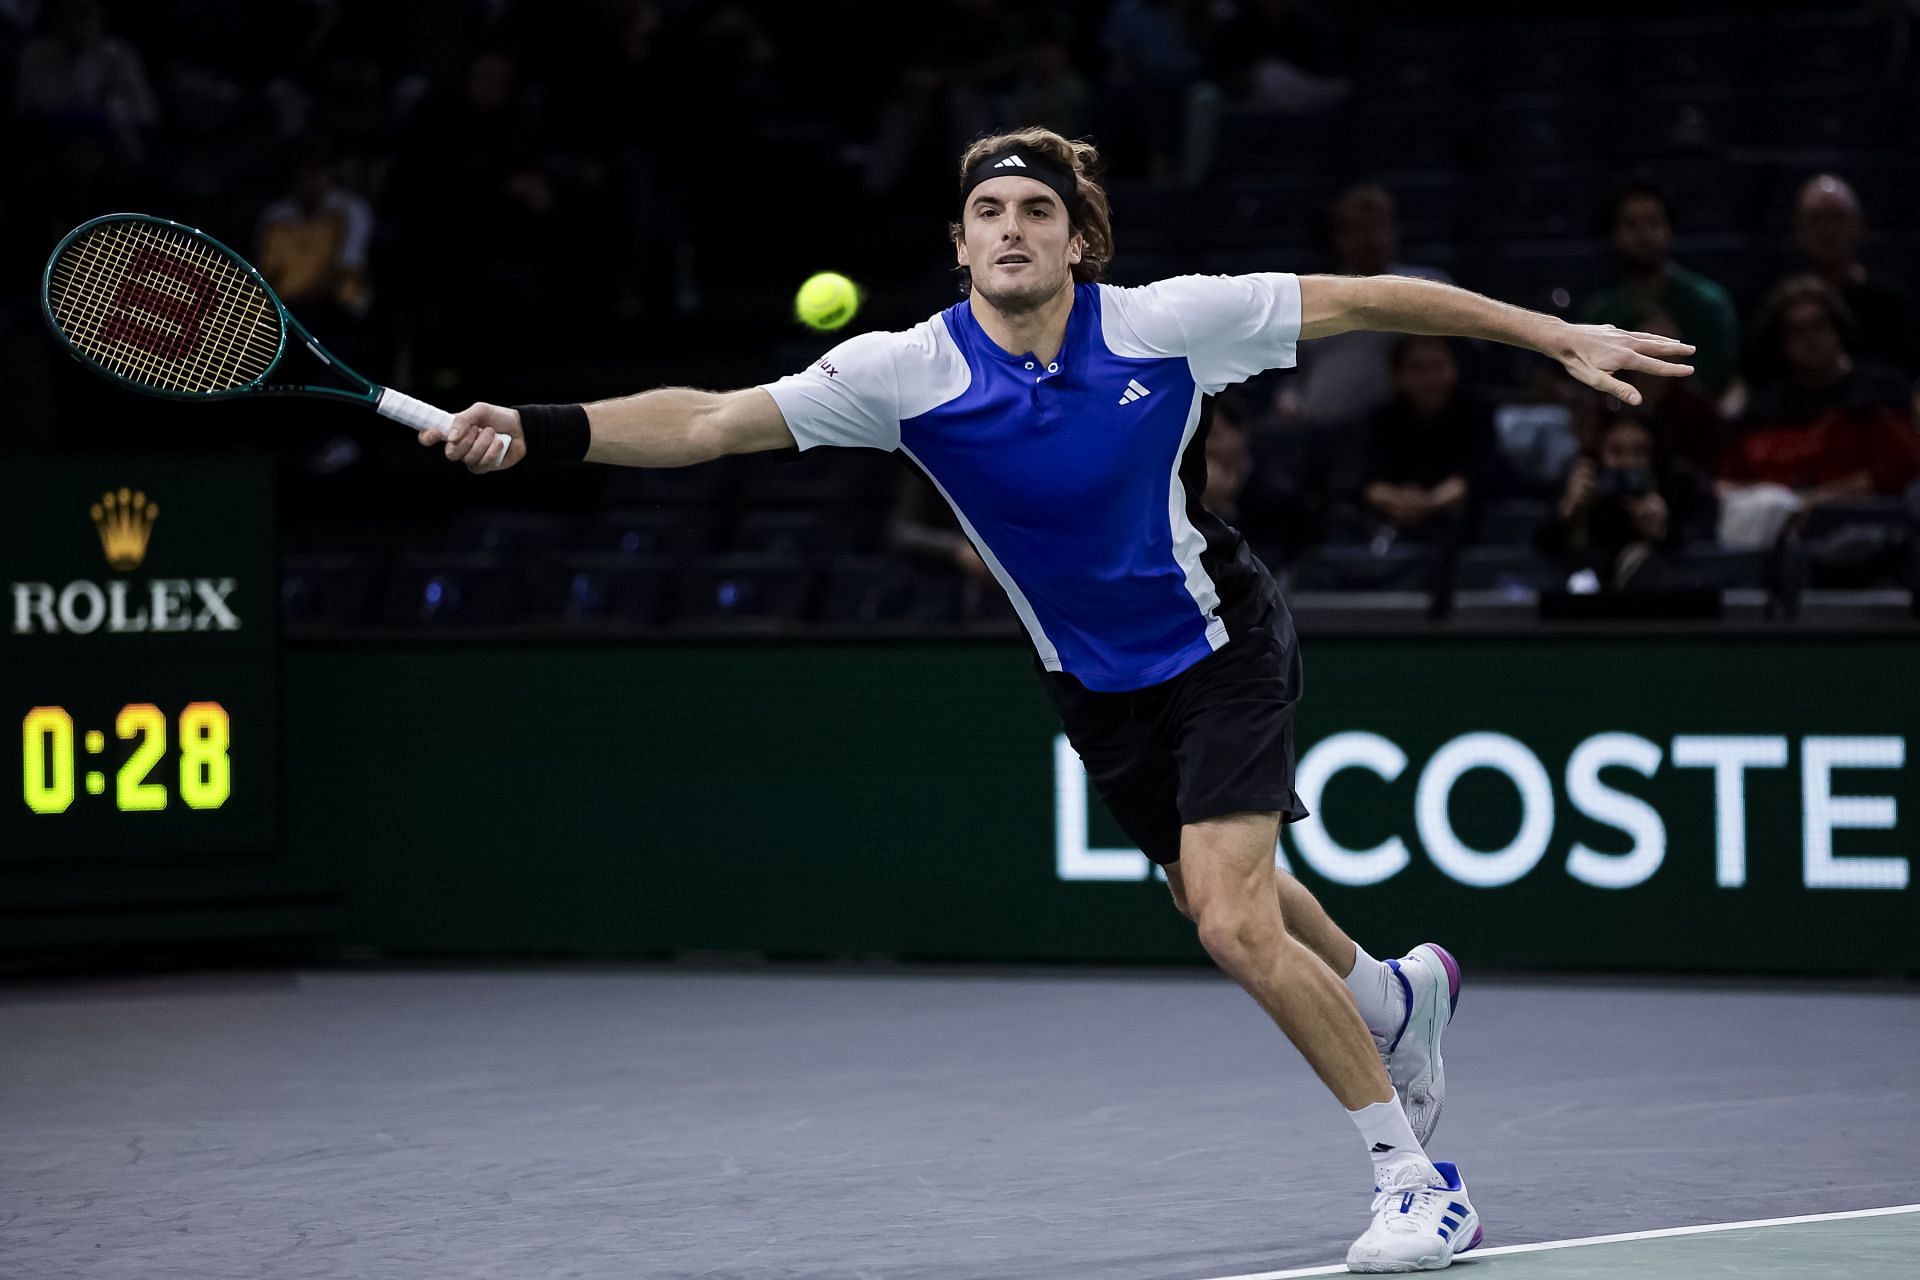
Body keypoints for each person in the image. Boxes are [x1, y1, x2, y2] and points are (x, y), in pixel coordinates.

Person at [421, 126, 1694, 1273]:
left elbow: (1368, 298)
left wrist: (1554, 335)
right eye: (988, 213)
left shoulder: (1167, 323)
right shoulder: (903, 371)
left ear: (1077, 239)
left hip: (1219, 639)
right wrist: (542, 428)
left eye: (1036, 210)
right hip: (1095, 682)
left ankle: (1418, 1183)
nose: (1010, 229)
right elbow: (704, 423)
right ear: (961, 241)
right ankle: (1388, 993)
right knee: (1213, 888)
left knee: (1232, 922)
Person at [1579, 183, 1739, 398]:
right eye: (1631, 225)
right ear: (1614, 235)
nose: (1643, 234)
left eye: (1653, 223)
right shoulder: (1598, 312)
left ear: (1669, 229)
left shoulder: (1708, 303)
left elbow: (1722, 377)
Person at [1536, 410, 1717, 592]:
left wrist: (1663, 531)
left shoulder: (1675, 488)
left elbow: (1702, 551)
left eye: (1640, 452)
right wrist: (1567, 509)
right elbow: (1541, 550)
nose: (1628, 462)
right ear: (1599, 454)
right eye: (1616, 452)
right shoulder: (1580, 485)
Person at [1787, 173, 1915, 377]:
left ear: (1859, 224)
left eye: (1838, 217)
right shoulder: (1784, 308)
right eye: (1815, 219)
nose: (1827, 231)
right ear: (1799, 230)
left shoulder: (1893, 307)